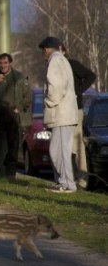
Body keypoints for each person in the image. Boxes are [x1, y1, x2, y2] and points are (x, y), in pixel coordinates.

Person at [0, 53, 31, 181]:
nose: (3, 65)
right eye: (1, 63)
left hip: (12, 116)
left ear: (10, 63)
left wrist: (18, 107)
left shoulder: (18, 77)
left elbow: (27, 98)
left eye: (5, 63)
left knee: (13, 146)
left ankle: (10, 174)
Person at [38, 37, 78, 193]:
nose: (43, 53)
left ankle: (68, 184)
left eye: (44, 50)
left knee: (60, 151)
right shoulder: (62, 60)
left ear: (48, 49)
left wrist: (49, 102)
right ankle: (64, 181)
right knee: (58, 150)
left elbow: (56, 86)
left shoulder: (55, 61)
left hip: (61, 114)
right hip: (65, 114)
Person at [61, 44, 97, 188]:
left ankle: (82, 180)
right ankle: (68, 178)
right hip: (60, 111)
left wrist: (77, 92)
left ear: (63, 51)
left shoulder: (72, 64)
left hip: (75, 109)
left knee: (77, 144)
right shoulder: (53, 68)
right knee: (64, 146)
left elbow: (91, 76)